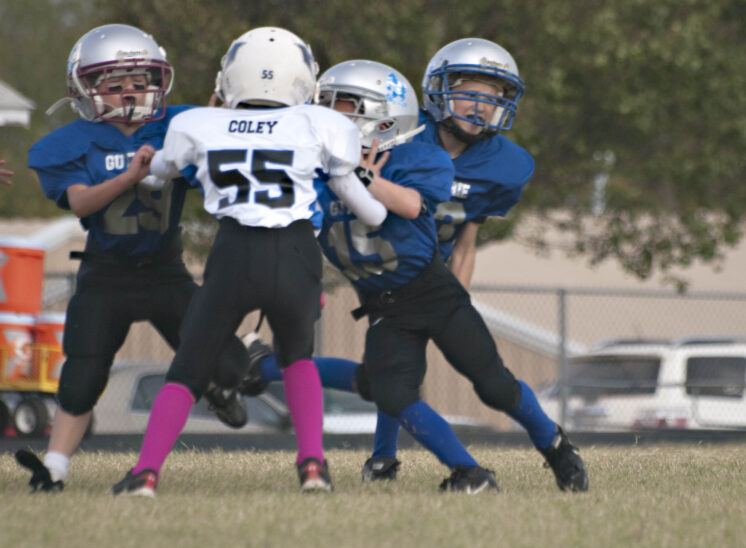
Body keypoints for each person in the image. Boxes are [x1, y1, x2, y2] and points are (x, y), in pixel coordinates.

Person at [242, 40, 589, 493]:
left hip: (429, 273)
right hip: (381, 279)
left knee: (490, 385)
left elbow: (462, 235)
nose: (481, 108)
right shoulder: (398, 140)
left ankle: (557, 446)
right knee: (389, 380)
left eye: (493, 99)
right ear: (438, 91)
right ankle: (395, 459)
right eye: (470, 94)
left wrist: (455, 297)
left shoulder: (489, 166)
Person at [109, 27, 387, 497]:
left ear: (231, 77)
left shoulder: (198, 123)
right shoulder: (323, 123)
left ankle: (146, 473)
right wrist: (368, 187)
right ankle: (313, 465)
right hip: (296, 252)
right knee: (297, 358)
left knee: (188, 371)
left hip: (234, 252)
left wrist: (148, 163)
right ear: (303, 79)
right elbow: (371, 212)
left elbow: (155, 178)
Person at [15, 23, 251, 493]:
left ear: (159, 82)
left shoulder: (179, 124)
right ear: (84, 88)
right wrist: (130, 176)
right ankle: (55, 469)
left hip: (166, 273)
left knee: (228, 365)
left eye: (140, 82)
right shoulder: (69, 144)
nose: (130, 93)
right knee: (81, 378)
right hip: (106, 275)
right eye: (115, 84)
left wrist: (219, 124)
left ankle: (218, 383)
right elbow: (80, 202)